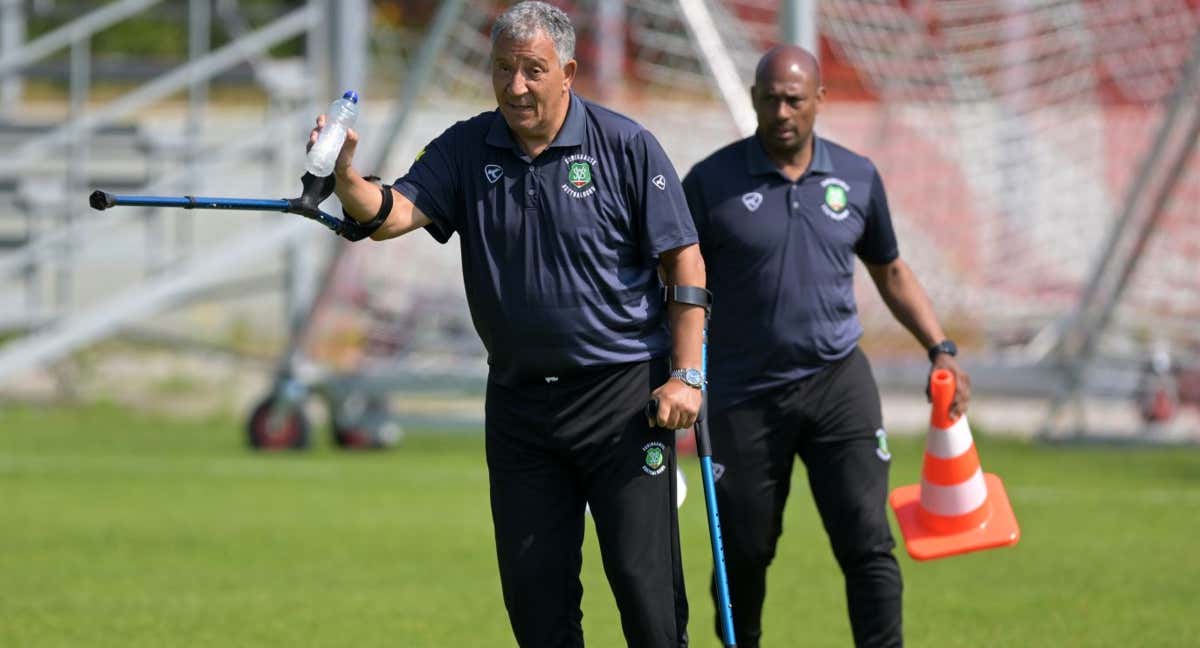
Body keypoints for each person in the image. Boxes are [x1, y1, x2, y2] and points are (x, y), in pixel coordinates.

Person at [309, 2, 705, 646]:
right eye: (503, 70)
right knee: (536, 608)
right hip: (521, 411)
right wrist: (345, 172)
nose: (515, 86)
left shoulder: (627, 145)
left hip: (624, 404)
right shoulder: (468, 146)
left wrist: (687, 375)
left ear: (568, 71)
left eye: (533, 70)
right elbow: (387, 215)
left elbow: (683, 260)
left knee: (648, 599)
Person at [681, 45, 972, 648]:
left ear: (819, 100)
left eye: (794, 98)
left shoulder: (857, 176)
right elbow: (671, 280)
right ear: (756, 99)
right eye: (770, 98)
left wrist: (940, 347)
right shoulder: (710, 183)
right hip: (743, 394)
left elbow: (890, 270)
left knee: (868, 539)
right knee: (744, 549)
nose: (782, 110)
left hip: (839, 384)